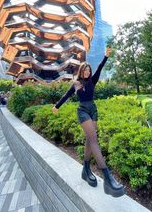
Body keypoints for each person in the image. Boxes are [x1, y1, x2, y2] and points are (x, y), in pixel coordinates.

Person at [52, 47, 125, 197]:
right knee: (94, 140)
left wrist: (105, 56)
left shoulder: (93, 80)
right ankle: (107, 178)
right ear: (81, 71)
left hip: (93, 110)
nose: (87, 72)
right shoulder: (76, 84)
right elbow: (66, 95)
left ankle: (85, 169)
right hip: (83, 111)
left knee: (89, 140)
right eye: (85, 70)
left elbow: (99, 68)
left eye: (89, 71)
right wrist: (57, 106)